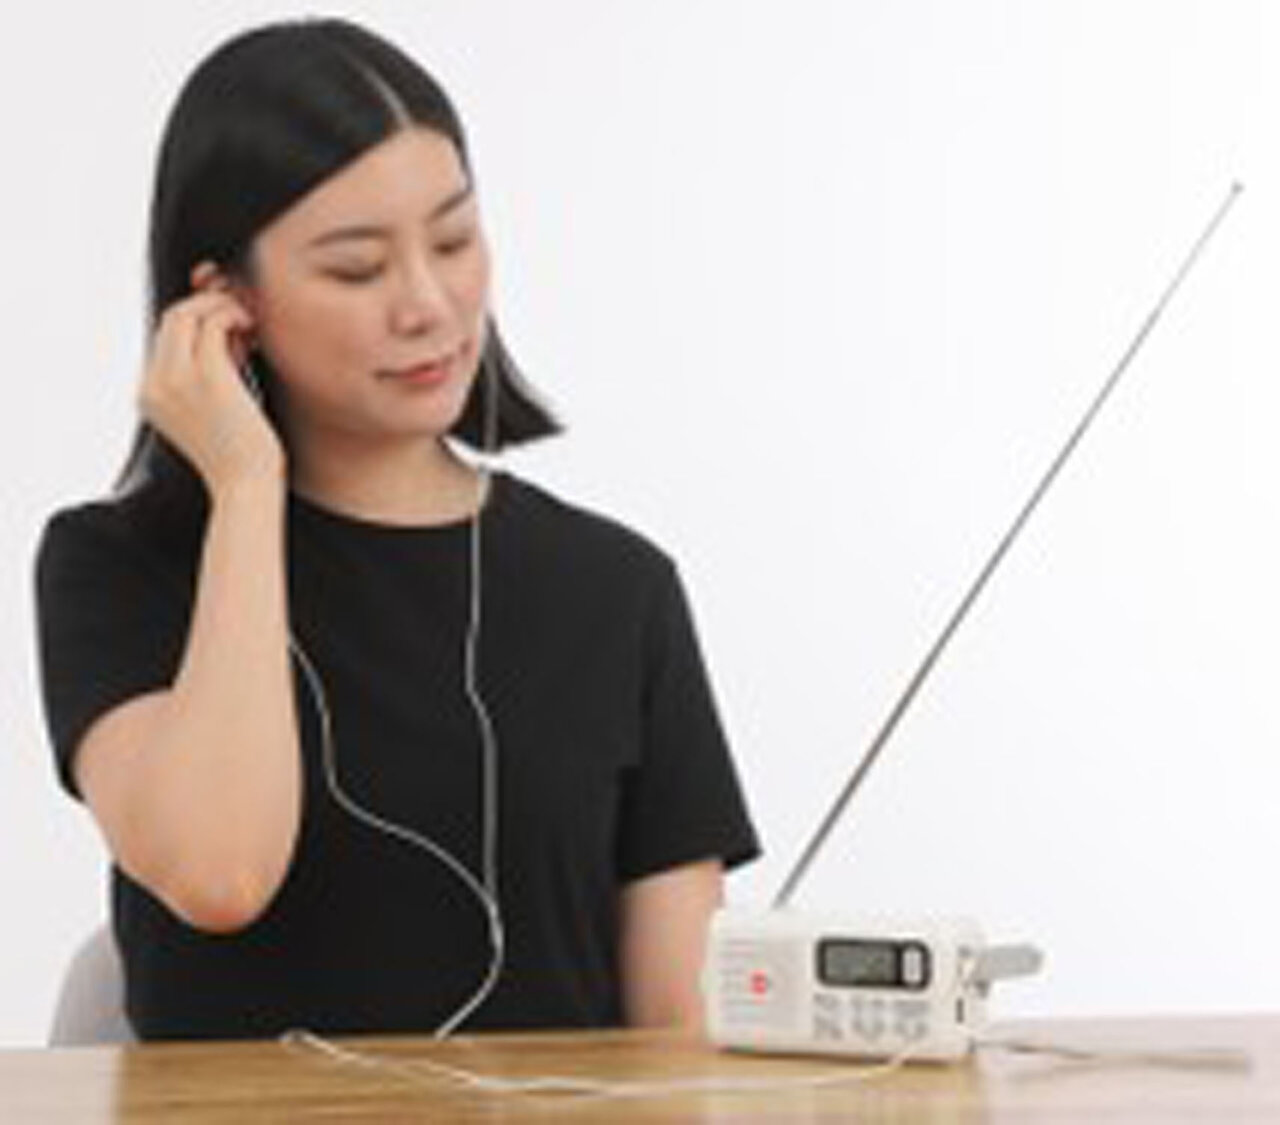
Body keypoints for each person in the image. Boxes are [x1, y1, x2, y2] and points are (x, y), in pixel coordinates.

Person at [33, 16, 760, 1042]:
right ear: (227, 304)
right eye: (356, 268)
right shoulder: (117, 567)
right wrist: (245, 483)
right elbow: (219, 871)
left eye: (453, 241)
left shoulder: (617, 589)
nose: (427, 303)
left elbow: (678, 1031)